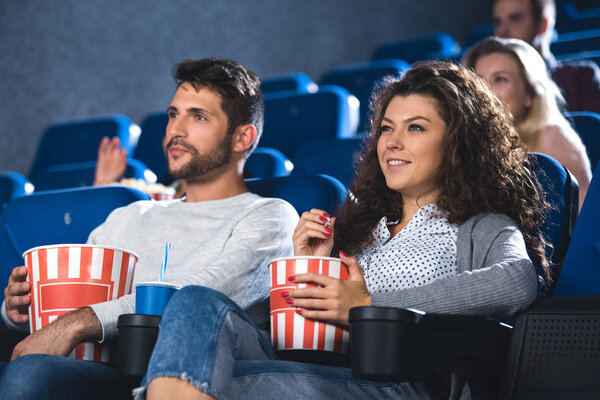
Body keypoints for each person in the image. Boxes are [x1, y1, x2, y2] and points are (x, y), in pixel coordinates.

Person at [138, 61, 548, 400]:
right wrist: (310, 268)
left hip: (399, 383)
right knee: (195, 303)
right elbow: (295, 335)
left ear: (458, 143)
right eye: (387, 128)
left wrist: (369, 304)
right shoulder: (361, 231)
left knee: (200, 381)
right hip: (319, 370)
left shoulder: (481, 226)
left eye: (416, 128)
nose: (393, 142)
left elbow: (516, 281)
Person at [0, 58, 299, 399]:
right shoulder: (129, 215)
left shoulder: (270, 216)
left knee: (30, 375)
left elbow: (201, 297)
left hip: (202, 375)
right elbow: (78, 300)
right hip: (111, 369)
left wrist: (78, 321)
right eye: (174, 114)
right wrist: (22, 309)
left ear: (243, 137)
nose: (176, 130)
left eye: (198, 116)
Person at [463, 36, 592, 208]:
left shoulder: (552, 138)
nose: (485, 90)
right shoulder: (475, 143)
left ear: (530, 94)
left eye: (500, 79)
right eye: (479, 81)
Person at [491, 0, 600, 114]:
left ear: (543, 25)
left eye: (515, 19)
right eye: (498, 22)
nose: (502, 32)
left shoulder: (581, 78)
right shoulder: (490, 86)